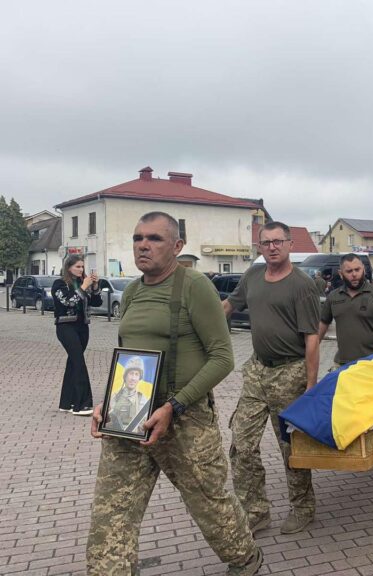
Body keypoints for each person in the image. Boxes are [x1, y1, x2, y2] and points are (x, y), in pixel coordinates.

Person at [87, 212, 262, 576]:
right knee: (111, 513)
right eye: (137, 238)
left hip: (186, 420)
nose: (143, 245)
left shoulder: (195, 286)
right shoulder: (133, 291)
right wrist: (109, 400)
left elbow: (222, 357)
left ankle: (245, 559)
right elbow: (131, 356)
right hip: (131, 416)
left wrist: (174, 404)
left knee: (211, 505)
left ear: (177, 246)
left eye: (154, 238)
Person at [223, 221, 321, 536]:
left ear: (290, 244)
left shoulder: (302, 284)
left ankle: (303, 508)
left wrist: (310, 386)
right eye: (266, 243)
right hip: (257, 370)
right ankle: (255, 512)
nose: (272, 247)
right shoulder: (252, 276)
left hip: (290, 372)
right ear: (260, 247)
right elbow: (228, 305)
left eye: (278, 241)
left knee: (290, 446)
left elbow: (312, 338)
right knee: (242, 444)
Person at [318, 253, 373, 370]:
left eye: (357, 270)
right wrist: (309, 351)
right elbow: (322, 326)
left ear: (363, 270)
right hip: (342, 366)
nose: (354, 274)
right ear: (341, 274)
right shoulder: (333, 297)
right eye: (349, 271)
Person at [52, 254, 102, 416]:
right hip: (65, 326)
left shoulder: (83, 282)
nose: (81, 270)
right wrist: (83, 288)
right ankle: (82, 404)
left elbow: (97, 303)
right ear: (69, 268)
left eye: (82, 267)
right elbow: (68, 302)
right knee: (79, 362)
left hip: (82, 327)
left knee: (73, 363)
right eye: (77, 267)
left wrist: (94, 287)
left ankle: (66, 402)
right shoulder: (59, 284)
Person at [105, 356, 150, 434]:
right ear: (125, 376)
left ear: (139, 378)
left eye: (136, 374)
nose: (133, 378)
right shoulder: (114, 396)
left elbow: (145, 424)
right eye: (131, 373)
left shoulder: (143, 399)